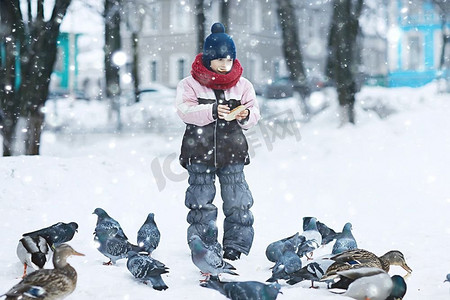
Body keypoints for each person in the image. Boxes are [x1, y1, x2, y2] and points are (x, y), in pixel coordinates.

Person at [176, 23, 260, 261]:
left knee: (238, 201)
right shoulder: (189, 84)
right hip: (198, 152)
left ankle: (236, 244)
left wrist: (245, 115)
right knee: (200, 204)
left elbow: (254, 113)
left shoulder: (243, 85)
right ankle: (205, 247)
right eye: (220, 60)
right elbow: (185, 111)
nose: (226, 65)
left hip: (232, 152)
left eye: (230, 60)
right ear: (208, 59)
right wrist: (212, 111)